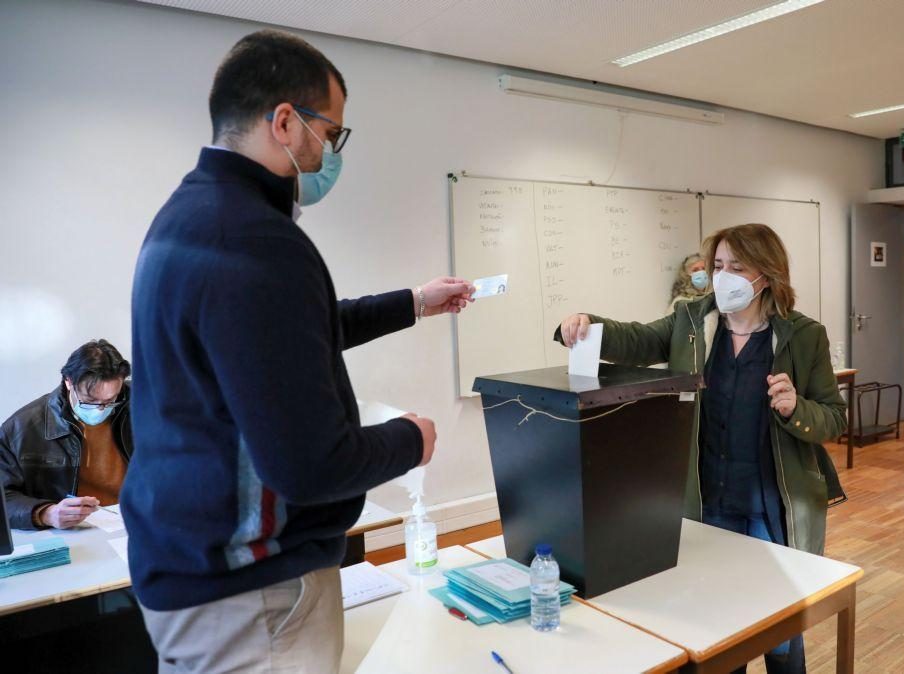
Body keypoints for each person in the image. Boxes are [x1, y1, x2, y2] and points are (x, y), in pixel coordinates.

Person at [122, 30, 474, 673]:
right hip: (252, 597)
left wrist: (414, 302)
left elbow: (280, 337)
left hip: (194, 574)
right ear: (284, 121)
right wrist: (410, 439)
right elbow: (310, 466)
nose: (329, 154)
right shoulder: (254, 241)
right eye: (330, 134)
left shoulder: (191, 216)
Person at [559, 223, 845, 674]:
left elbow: (835, 416)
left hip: (772, 505)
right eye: (717, 266)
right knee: (719, 627)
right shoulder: (692, 321)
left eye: (737, 266)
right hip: (708, 499)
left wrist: (796, 408)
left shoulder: (804, 335)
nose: (722, 276)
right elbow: (636, 340)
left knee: (781, 634)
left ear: (766, 275)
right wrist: (587, 325)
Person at [0, 340, 132, 530]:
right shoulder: (22, 428)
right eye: (90, 400)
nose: (100, 409)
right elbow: (4, 497)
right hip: (74, 530)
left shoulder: (142, 405)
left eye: (110, 400)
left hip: (135, 518)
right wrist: (45, 513)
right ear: (69, 381)